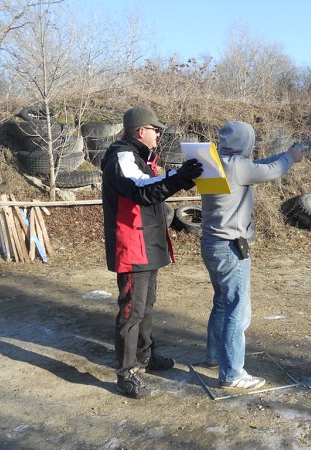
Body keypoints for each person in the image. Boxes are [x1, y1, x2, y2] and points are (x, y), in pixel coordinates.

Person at [101, 105, 203, 398]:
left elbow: (153, 187)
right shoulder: (122, 157)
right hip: (133, 245)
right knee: (132, 310)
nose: (158, 134)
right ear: (140, 131)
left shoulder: (141, 157)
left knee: (146, 305)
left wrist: (180, 178)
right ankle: (125, 373)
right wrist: (178, 177)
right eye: (155, 129)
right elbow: (141, 190)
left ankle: (144, 355)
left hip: (147, 242)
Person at [200, 121, 304, 390]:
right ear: (245, 142)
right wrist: (290, 157)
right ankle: (232, 373)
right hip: (230, 247)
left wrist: (284, 154)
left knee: (222, 302)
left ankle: (215, 355)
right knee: (237, 310)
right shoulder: (237, 167)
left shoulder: (212, 163)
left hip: (212, 243)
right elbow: (272, 170)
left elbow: (257, 166)